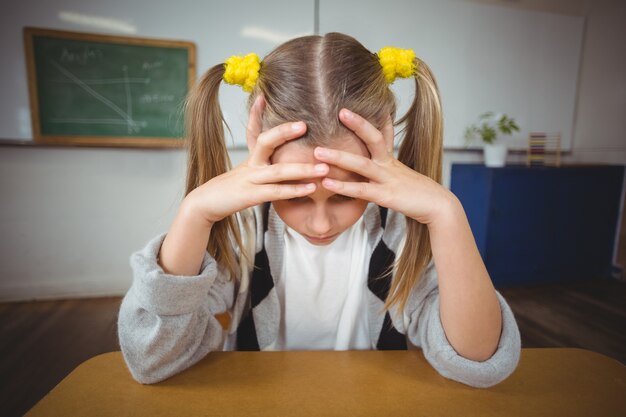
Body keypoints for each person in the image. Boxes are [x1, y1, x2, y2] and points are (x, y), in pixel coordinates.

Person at [118, 32, 521, 387]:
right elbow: (153, 360)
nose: (322, 224)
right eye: (295, 195)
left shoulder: (407, 231)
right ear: (259, 139)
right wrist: (194, 214)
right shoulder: (239, 228)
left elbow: (478, 363)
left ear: (383, 136)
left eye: (346, 194)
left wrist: (447, 213)